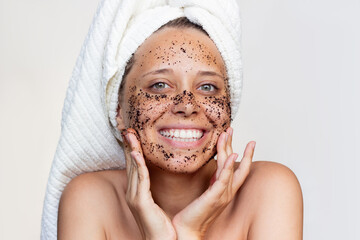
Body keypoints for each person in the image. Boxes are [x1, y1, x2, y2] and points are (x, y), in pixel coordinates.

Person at [56, 17, 303, 239]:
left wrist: (190, 232)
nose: (186, 105)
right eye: (160, 85)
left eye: (207, 87)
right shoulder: (90, 200)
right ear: (118, 112)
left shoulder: (268, 191)